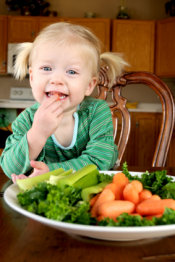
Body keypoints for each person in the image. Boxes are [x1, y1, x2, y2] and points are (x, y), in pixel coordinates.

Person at [0, 22, 128, 182]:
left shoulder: (97, 112)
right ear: (32, 78)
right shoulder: (26, 120)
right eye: (47, 69)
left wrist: (51, 172)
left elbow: (100, 160)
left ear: (89, 85)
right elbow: (10, 169)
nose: (57, 80)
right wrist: (37, 134)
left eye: (71, 72)